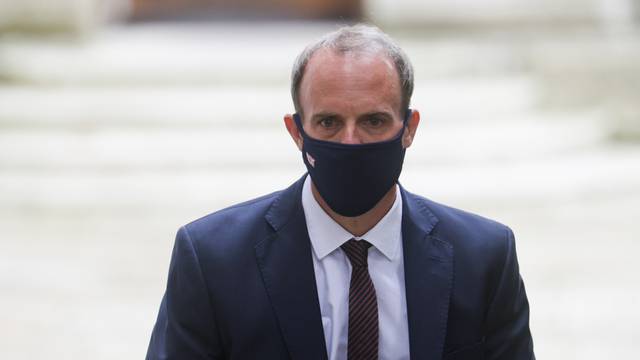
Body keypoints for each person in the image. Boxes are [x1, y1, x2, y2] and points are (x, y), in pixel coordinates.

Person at [146, 24, 535, 360]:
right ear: (296, 131)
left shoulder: (483, 259)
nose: (350, 142)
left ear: (410, 127)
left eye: (373, 121)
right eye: (329, 122)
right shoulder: (213, 261)